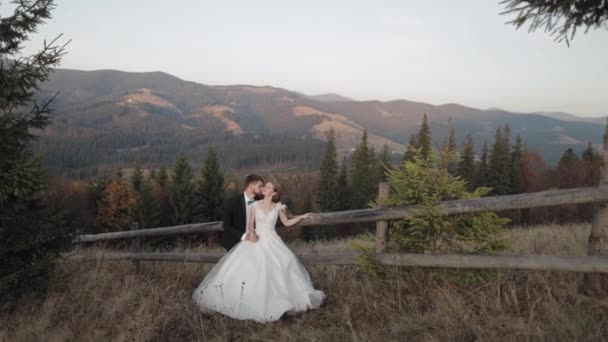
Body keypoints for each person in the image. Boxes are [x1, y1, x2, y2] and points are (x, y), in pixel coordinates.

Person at [193, 182, 325, 323]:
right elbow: (250, 224)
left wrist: (302, 216)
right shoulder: (255, 205)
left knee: (283, 264)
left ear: (274, 193)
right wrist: (251, 234)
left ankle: (281, 299)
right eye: (264, 186)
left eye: (268, 187)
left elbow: (286, 223)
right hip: (257, 238)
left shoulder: (278, 207)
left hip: (273, 240)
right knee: (249, 269)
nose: (264, 188)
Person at [220, 174, 264, 251]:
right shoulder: (232, 202)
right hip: (236, 244)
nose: (262, 189)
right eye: (259, 186)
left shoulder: (261, 202)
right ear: (251, 185)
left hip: (257, 244)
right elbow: (226, 225)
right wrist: (244, 236)